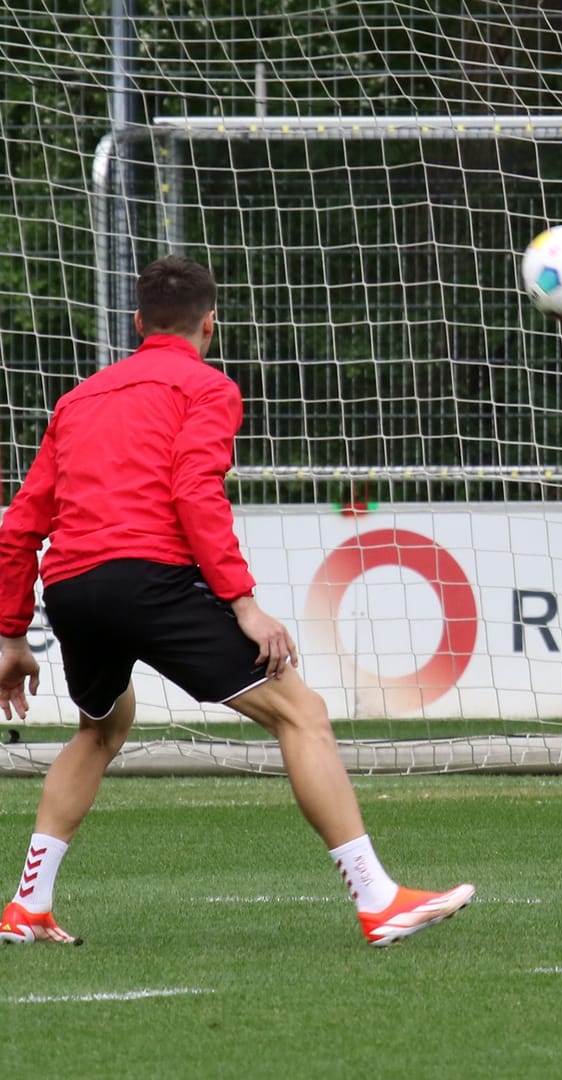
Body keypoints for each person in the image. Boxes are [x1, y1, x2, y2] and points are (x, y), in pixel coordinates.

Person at [0, 255, 472, 948]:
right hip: (152, 580)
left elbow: (18, 526)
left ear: (137, 323)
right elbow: (195, 493)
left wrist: (11, 636)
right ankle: (378, 900)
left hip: (71, 589)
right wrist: (244, 603)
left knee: (101, 727)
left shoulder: (78, 398)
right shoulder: (207, 387)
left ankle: (27, 906)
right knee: (302, 714)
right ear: (210, 324)